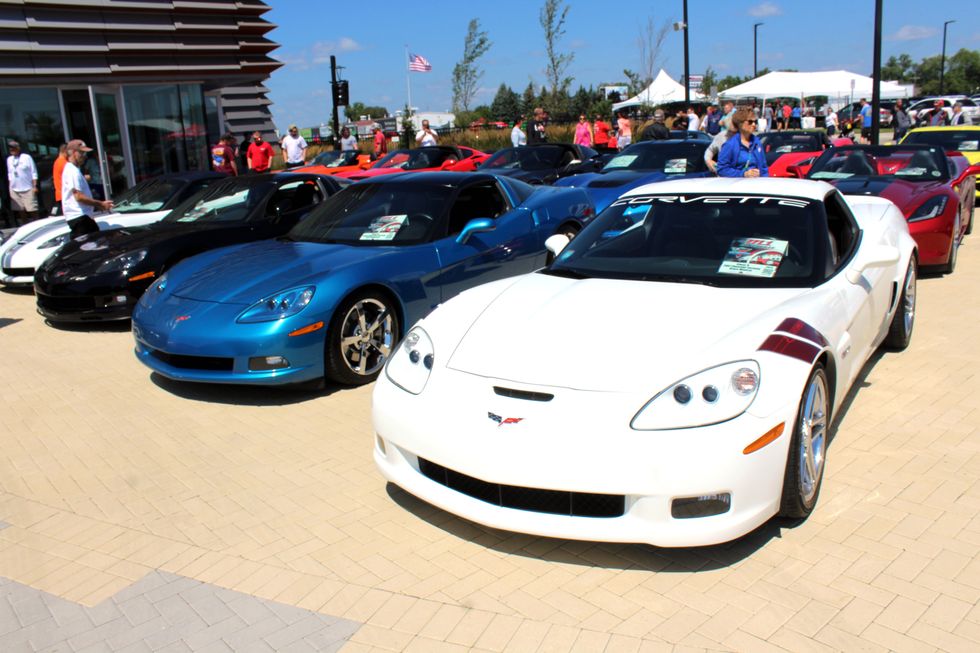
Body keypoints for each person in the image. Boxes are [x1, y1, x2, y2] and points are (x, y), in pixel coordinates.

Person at [62, 139, 113, 239]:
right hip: (80, 219)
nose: (84, 156)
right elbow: (78, 196)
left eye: (85, 153)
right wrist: (100, 204)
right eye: (81, 152)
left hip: (83, 218)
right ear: (73, 152)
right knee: (91, 249)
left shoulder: (73, 170)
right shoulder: (72, 171)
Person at [716, 109, 768, 178]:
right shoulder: (730, 145)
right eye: (750, 122)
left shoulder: (757, 143)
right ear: (740, 124)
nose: (754, 124)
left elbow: (764, 168)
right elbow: (722, 169)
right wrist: (743, 174)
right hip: (737, 185)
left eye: (755, 122)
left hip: (757, 185)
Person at [6, 140, 38, 225]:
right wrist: (10, 188)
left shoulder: (26, 157)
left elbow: (33, 172)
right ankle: (25, 226)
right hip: (15, 189)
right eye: (10, 148)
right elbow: (10, 174)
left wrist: (34, 186)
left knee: (32, 209)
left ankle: (37, 225)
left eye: (13, 147)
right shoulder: (9, 159)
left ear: (18, 148)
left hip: (27, 188)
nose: (11, 149)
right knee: (21, 210)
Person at [50, 143, 67, 216]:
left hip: (60, 194)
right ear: (64, 151)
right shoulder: (64, 163)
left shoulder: (57, 162)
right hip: (65, 195)